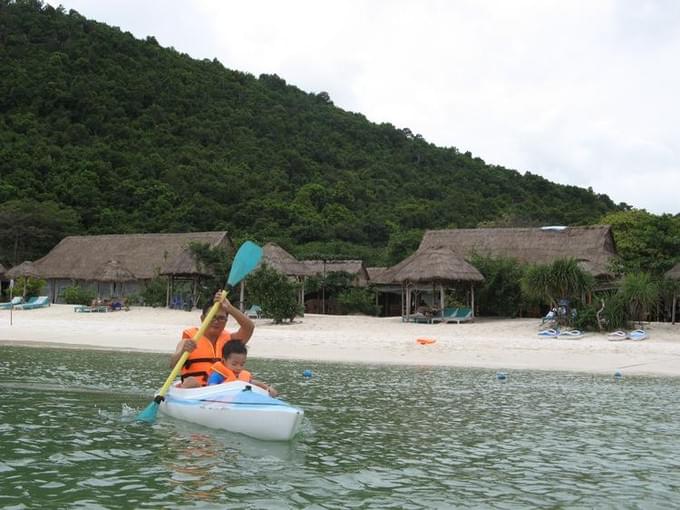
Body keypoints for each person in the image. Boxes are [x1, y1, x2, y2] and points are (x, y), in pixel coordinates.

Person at [170, 291, 255, 388]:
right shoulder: (188, 341)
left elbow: (249, 327)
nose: (216, 321)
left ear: (226, 321)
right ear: (202, 318)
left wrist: (229, 308)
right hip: (195, 391)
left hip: (223, 391)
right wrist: (182, 352)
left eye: (221, 318)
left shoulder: (231, 341)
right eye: (212, 317)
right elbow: (173, 365)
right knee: (191, 381)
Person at [206, 339, 277, 397]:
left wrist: (268, 389)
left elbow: (255, 383)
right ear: (223, 361)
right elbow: (211, 388)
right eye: (234, 364)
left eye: (242, 364)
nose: (239, 368)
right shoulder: (217, 375)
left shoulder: (242, 376)